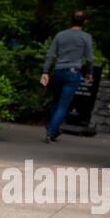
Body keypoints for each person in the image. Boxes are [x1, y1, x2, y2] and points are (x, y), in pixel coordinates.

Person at [40, 10, 94, 142]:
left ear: (71, 20)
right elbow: (89, 58)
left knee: (56, 102)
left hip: (58, 71)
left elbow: (50, 54)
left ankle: (53, 128)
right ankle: (51, 132)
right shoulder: (86, 37)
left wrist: (45, 71)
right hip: (73, 72)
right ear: (85, 22)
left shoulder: (60, 35)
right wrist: (89, 73)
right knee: (63, 105)